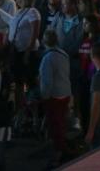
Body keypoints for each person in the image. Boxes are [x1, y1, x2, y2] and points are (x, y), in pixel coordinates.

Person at [39, 30, 72, 163]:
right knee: (61, 123)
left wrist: (44, 96)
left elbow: (47, 81)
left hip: (54, 95)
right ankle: (62, 147)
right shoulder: (63, 54)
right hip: (65, 91)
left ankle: (60, 153)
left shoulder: (47, 58)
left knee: (55, 125)